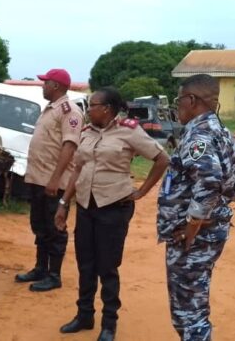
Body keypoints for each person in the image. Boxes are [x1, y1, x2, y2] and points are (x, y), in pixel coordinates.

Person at [55, 87, 170, 341]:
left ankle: (109, 324)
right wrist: (64, 203)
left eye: (92, 104)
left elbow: (162, 159)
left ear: (106, 109)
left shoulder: (129, 131)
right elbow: (77, 169)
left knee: (107, 267)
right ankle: (84, 315)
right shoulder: (86, 132)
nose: (88, 109)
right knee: (85, 264)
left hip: (114, 208)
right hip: (86, 207)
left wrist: (141, 191)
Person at [158, 74, 235, 340]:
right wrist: (221, 203)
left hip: (194, 238)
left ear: (191, 100)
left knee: (189, 314)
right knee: (193, 304)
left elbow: (210, 179)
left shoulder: (198, 136)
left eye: (179, 100)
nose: (178, 106)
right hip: (210, 232)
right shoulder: (222, 133)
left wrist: (194, 224)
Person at [15, 68, 84, 292]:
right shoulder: (50, 109)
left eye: (45, 83)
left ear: (55, 86)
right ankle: (40, 268)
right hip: (38, 178)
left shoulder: (69, 111)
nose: (42, 85)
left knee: (55, 227)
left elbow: (69, 146)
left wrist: (54, 180)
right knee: (40, 226)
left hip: (53, 182)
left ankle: (54, 275)